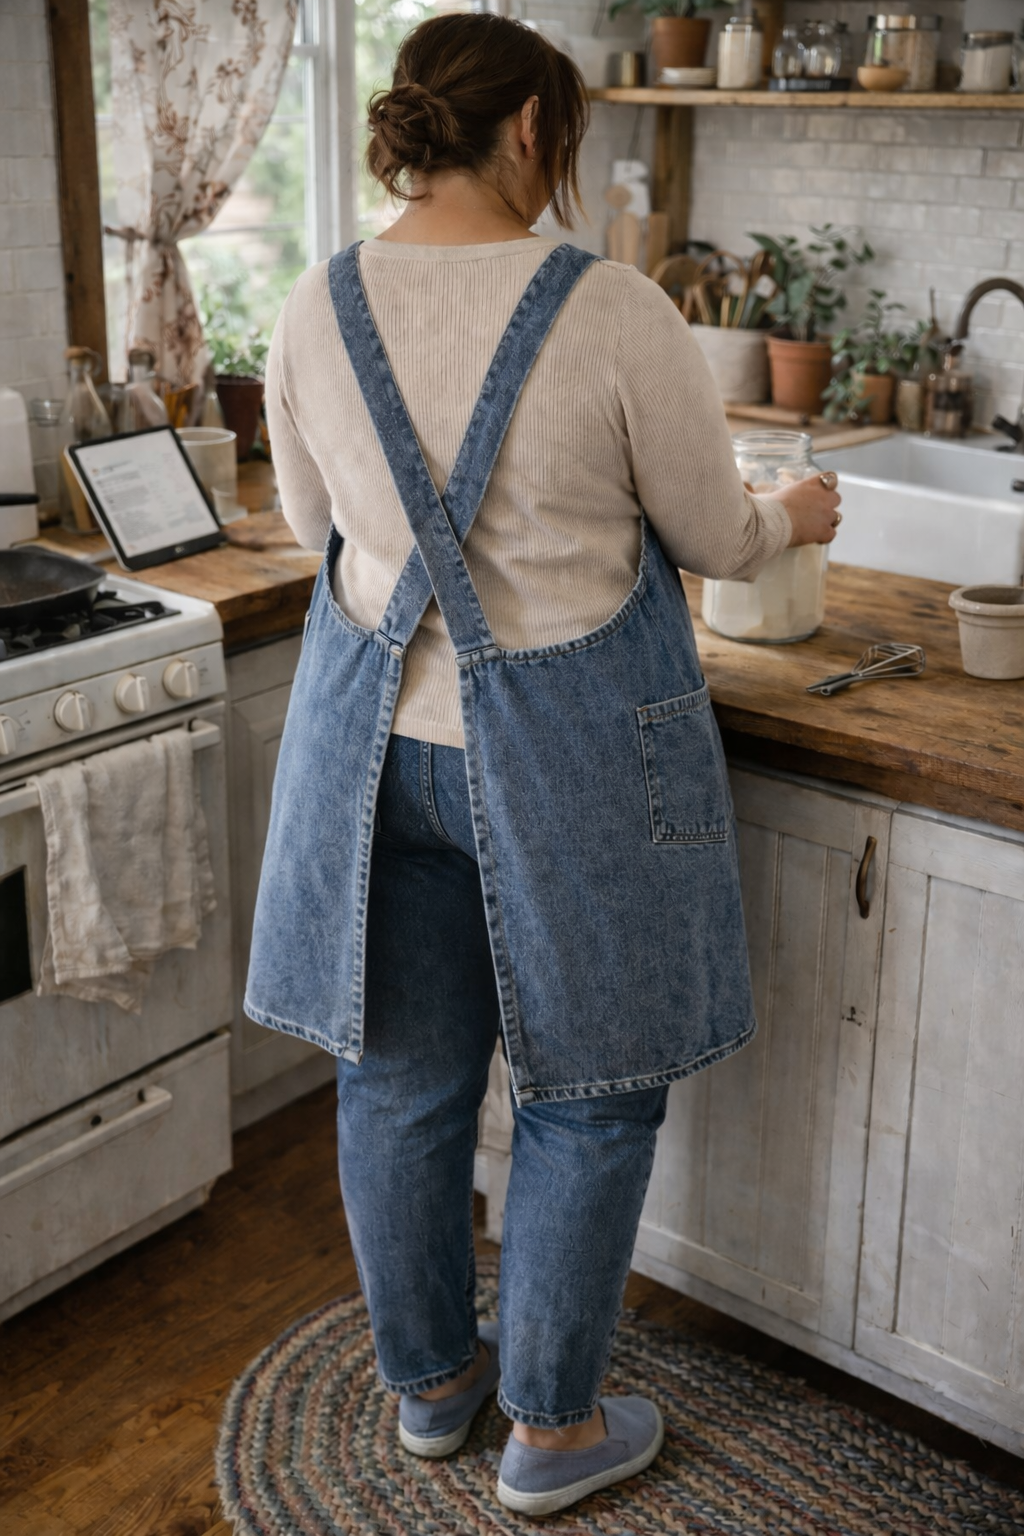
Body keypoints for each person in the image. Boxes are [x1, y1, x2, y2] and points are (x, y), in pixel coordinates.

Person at [245, 11, 841, 1519]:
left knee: (399, 1086)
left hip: (378, 750)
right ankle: (554, 1433)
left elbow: (315, 528)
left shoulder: (314, 301)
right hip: (572, 757)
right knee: (590, 1091)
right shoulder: (615, 306)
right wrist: (799, 517)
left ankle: (435, 1390)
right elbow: (714, 540)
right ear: (526, 130)